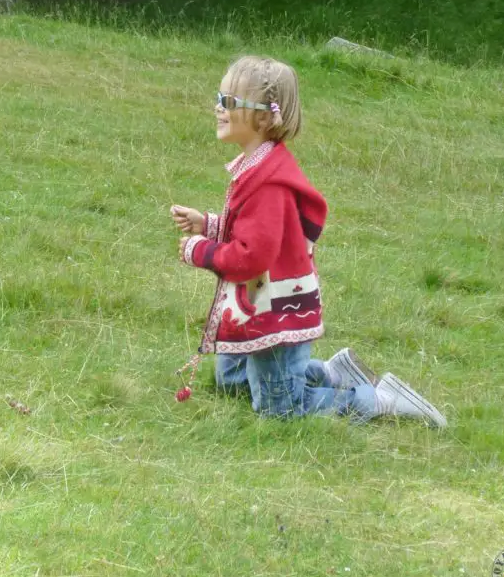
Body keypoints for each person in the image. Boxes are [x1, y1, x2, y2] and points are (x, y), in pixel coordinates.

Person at [170, 56, 446, 427]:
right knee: (231, 380)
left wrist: (199, 249)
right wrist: (211, 224)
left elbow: (251, 257)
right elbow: (264, 234)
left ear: (265, 118)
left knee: (279, 407)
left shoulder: (269, 183)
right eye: (219, 98)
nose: (218, 108)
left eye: (230, 103)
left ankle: (379, 400)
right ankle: (334, 372)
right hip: (259, 303)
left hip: (277, 314)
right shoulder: (258, 167)